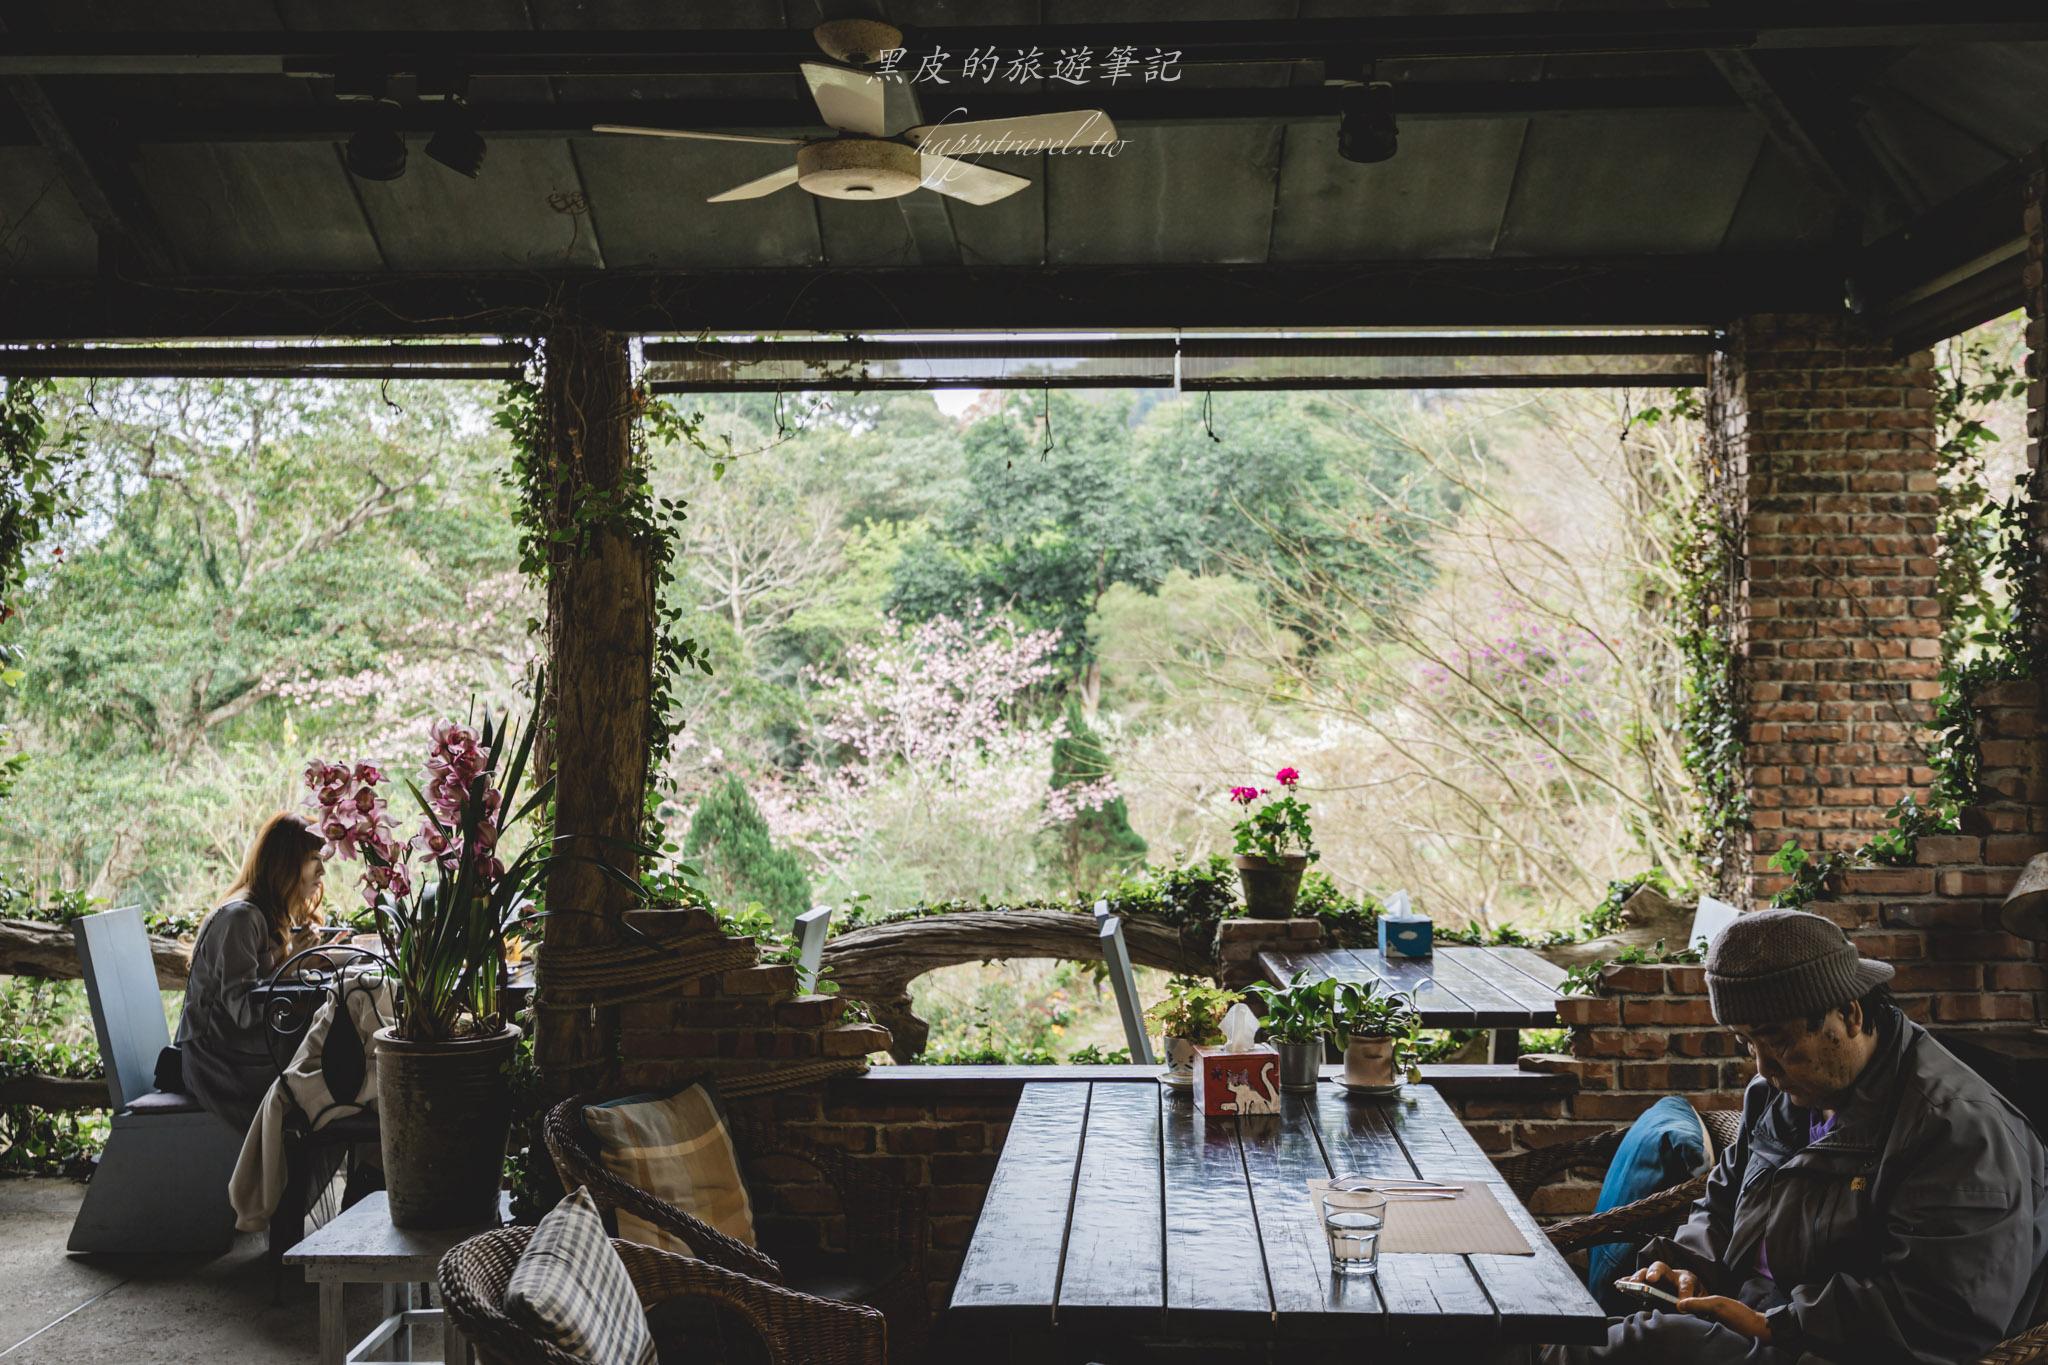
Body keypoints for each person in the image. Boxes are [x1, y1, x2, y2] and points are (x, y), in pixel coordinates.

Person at [1546, 908, 2048, 1365]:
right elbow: (1718, 1205)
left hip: (1844, 1348)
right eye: (1747, 1043)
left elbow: (1943, 1312)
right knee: (1563, 1335)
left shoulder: (1957, 1129)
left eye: (1779, 1039)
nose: (1763, 1066)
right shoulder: (1776, 1098)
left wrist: (1778, 1325)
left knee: (1639, 1346)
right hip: (1755, 1317)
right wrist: (1686, 1265)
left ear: (1849, 1015)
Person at [175, 812, 329, 1135]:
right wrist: (294, 966)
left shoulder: (265, 912)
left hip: (238, 1049)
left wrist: (292, 959)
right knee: (328, 1079)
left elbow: (260, 977)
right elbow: (244, 1010)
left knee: (329, 1058)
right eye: (314, 859)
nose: (322, 871)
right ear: (287, 864)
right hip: (218, 1061)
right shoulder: (241, 917)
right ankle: (294, 1179)